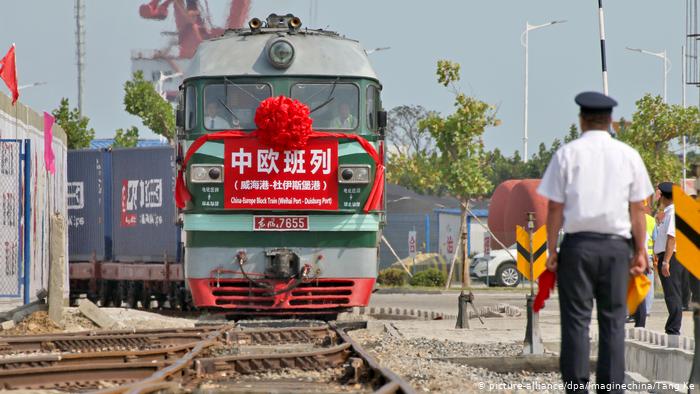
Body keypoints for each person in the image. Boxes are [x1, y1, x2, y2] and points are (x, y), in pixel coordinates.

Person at [537, 91, 653, 393]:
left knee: (575, 321)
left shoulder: (567, 154)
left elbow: (554, 208)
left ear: (581, 120)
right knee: (613, 321)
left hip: (578, 247)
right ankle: (611, 388)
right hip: (616, 249)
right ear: (611, 121)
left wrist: (552, 249)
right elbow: (637, 209)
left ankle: (576, 387)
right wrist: (640, 250)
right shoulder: (628, 155)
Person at [656, 182, 686, 335]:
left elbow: (671, 238)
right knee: (670, 293)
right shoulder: (667, 213)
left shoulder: (673, 212)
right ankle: (672, 326)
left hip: (671, 257)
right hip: (667, 256)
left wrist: (666, 261)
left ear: (662, 196)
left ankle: (673, 328)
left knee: (672, 293)